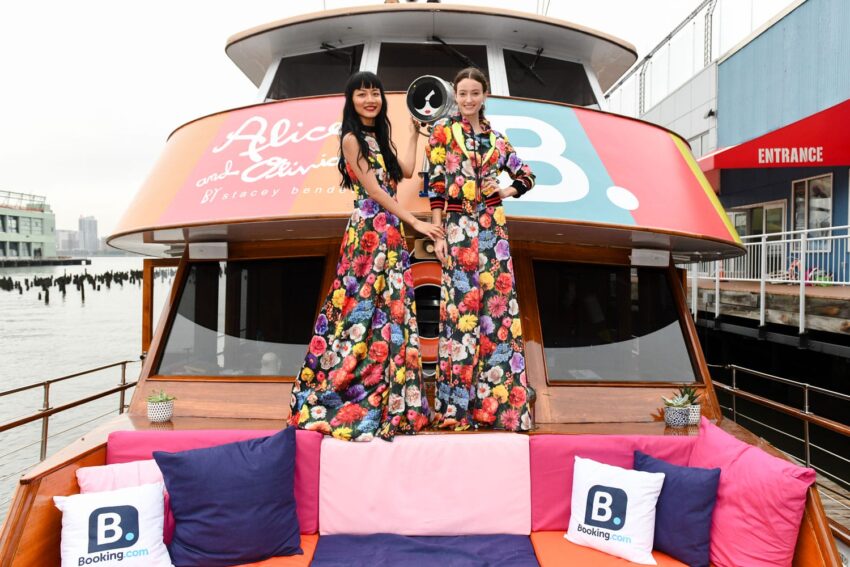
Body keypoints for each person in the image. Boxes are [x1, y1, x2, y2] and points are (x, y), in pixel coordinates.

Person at [289, 71, 444, 442]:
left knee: (391, 308)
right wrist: (416, 223)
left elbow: (404, 172)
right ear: (351, 100)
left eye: (374, 93)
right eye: (362, 94)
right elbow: (374, 191)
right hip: (370, 228)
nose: (370, 99)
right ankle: (346, 386)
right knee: (357, 303)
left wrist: (413, 134)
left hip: (388, 230)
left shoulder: (377, 138)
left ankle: (389, 391)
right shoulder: (351, 140)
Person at [425, 67, 535, 432]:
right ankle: (456, 410)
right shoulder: (441, 133)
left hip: (492, 233)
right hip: (457, 231)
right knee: (460, 317)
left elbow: (527, 176)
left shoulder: (498, 140)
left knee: (497, 317)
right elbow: (436, 185)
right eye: (463, 93)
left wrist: (504, 191)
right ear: (455, 95)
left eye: (475, 93)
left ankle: (499, 409)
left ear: (485, 95)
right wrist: (438, 234)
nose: (468, 99)